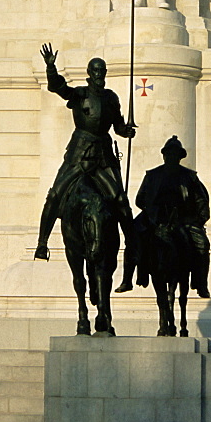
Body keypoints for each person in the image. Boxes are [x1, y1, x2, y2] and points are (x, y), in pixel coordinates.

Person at [34, 43, 136, 262]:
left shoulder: (111, 98)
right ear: (90, 73)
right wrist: (51, 68)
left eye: (102, 71)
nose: (100, 75)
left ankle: (132, 244)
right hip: (79, 152)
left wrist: (125, 131)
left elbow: (117, 126)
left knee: (119, 198)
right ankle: (42, 244)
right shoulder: (79, 94)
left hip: (103, 155)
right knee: (55, 195)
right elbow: (58, 88)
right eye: (96, 71)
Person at [116, 135, 210, 298]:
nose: (171, 157)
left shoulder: (190, 177)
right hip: (155, 218)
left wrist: (198, 219)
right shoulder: (152, 175)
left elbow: (201, 201)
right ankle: (127, 279)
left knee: (202, 244)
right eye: (168, 154)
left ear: (180, 157)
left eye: (175, 154)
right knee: (133, 238)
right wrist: (153, 211)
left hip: (183, 219)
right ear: (164, 155)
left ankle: (200, 282)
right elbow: (140, 199)